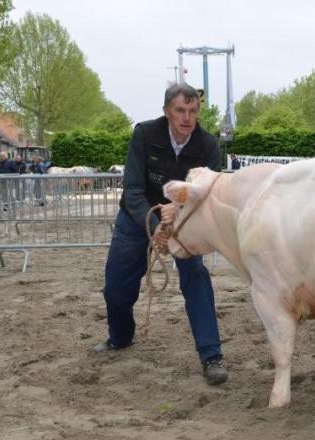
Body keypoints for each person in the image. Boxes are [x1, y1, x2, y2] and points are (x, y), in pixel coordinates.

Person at [97, 83, 227, 385]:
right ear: (167, 111)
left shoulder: (208, 145)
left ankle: (211, 355)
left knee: (196, 277)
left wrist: (175, 214)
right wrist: (157, 225)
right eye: (180, 110)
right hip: (137, 218)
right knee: (116, 286)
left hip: (184, 222)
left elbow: (207, 193)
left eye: (193, 111)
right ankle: (120, 337)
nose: (187, 118)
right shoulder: (144, 134)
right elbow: (132, 189)